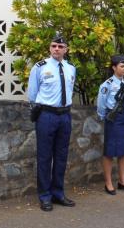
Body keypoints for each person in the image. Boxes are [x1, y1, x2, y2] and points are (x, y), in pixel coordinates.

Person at [27, 35, 76, 212]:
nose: (57, 49)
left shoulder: (71, 68)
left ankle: (58, 193)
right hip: (46, 115)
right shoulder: (39, 67)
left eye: (60, 46)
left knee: (61, 156)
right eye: (54, 45)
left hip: (65, 116)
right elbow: (32, 95)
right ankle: (45, 196)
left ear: (66, 49)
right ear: (50, 48)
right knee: (45, 157)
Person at [96, 55, 124, 196]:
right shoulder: (107, 84)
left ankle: (122, 181)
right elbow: (101, 104)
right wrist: (104, 117)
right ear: (114, 67)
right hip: (113, 118)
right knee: (110, 152)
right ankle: (108, 183)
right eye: (121, 66)